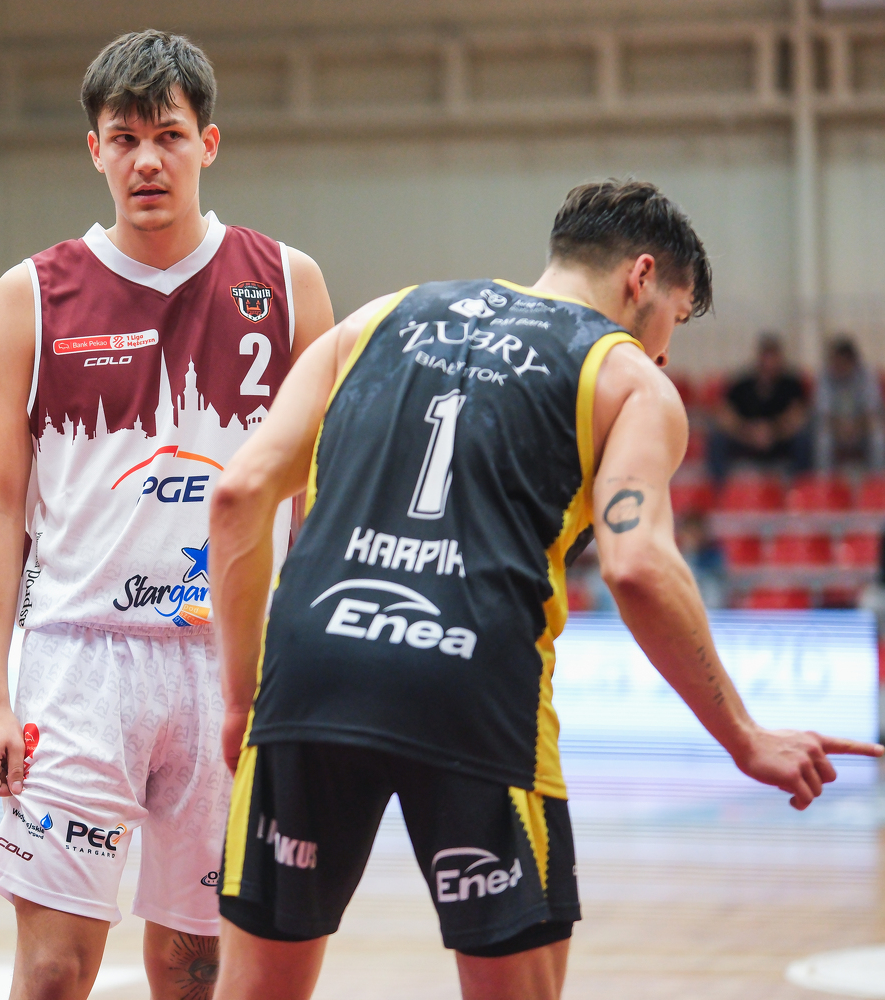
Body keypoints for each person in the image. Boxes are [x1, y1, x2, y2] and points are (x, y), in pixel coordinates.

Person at [205, 180, 884, 1000]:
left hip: (313, 671)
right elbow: (636, 566)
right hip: (473, 684)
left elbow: (238, 496)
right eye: (676, 317)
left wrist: (240, 698)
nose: (667, 352)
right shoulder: (630, 380)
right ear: (641, 277)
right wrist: (743, 735)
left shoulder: (376, 317)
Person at [0, 30, 334, 1000]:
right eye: (123, 139)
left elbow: (321, 492)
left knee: (195, 966)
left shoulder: (287, 281)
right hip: (79, 666)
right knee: (52, 969)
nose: (146, 161)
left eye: (167, 135)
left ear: (208, 143)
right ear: (95, 150)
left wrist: (315, 663)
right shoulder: (30, 296)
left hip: (232, 662)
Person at [707, 334, 810, 481]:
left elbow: (797, 415)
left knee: (803, 438)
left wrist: (772, 431)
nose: (769, 364)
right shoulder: (741, 384)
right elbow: (724, 414)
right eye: (766, 357)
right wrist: (749, 433)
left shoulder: (791, 384)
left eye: (773, 358)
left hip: (779, 440)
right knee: (717, 438)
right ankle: (718, 487)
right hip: (745, 439)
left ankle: (801, 485)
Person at [813, 336, 885, 472]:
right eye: (834, 362)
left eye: (841, 363)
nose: (837, 367)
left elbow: (872, 409)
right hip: (835, 428)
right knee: (823, 439)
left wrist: (856, 427)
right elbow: (823, 412)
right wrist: (840, 427)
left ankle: (878, 480)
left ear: (852, 361)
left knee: (878, 437)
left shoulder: (867, 374)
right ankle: (825, 480)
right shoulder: (825, 375)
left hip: (862, 427)